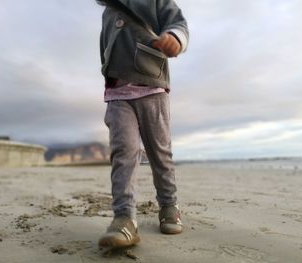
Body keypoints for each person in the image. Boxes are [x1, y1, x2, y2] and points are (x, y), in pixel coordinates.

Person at [97, 0, 189, 248]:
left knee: (160, 154)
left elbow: (178, 23)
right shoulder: (108, 9)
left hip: (152, 89)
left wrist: (174, 37)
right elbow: (106, 47)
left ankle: (169, 206)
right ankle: (124, 217)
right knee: (123, 153)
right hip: (118, 96)